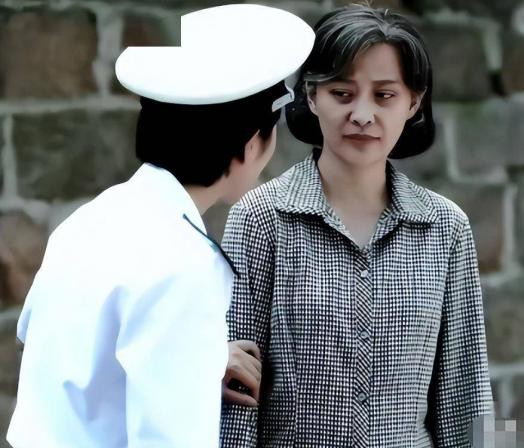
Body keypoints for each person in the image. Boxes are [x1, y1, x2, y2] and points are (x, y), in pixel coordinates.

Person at [6, 4, 313, 447]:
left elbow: (39, 340)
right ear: (251, 145)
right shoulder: (183, 263)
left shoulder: (93, 216)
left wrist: (196, 361)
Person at [219, 4, 493, 447]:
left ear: (413, 102)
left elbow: (466, 393)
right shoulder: (260, 218)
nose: (363, 114)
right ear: (311, 96)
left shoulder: (446, 227)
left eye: (384, 96)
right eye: (342, 93)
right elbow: (235, 397)